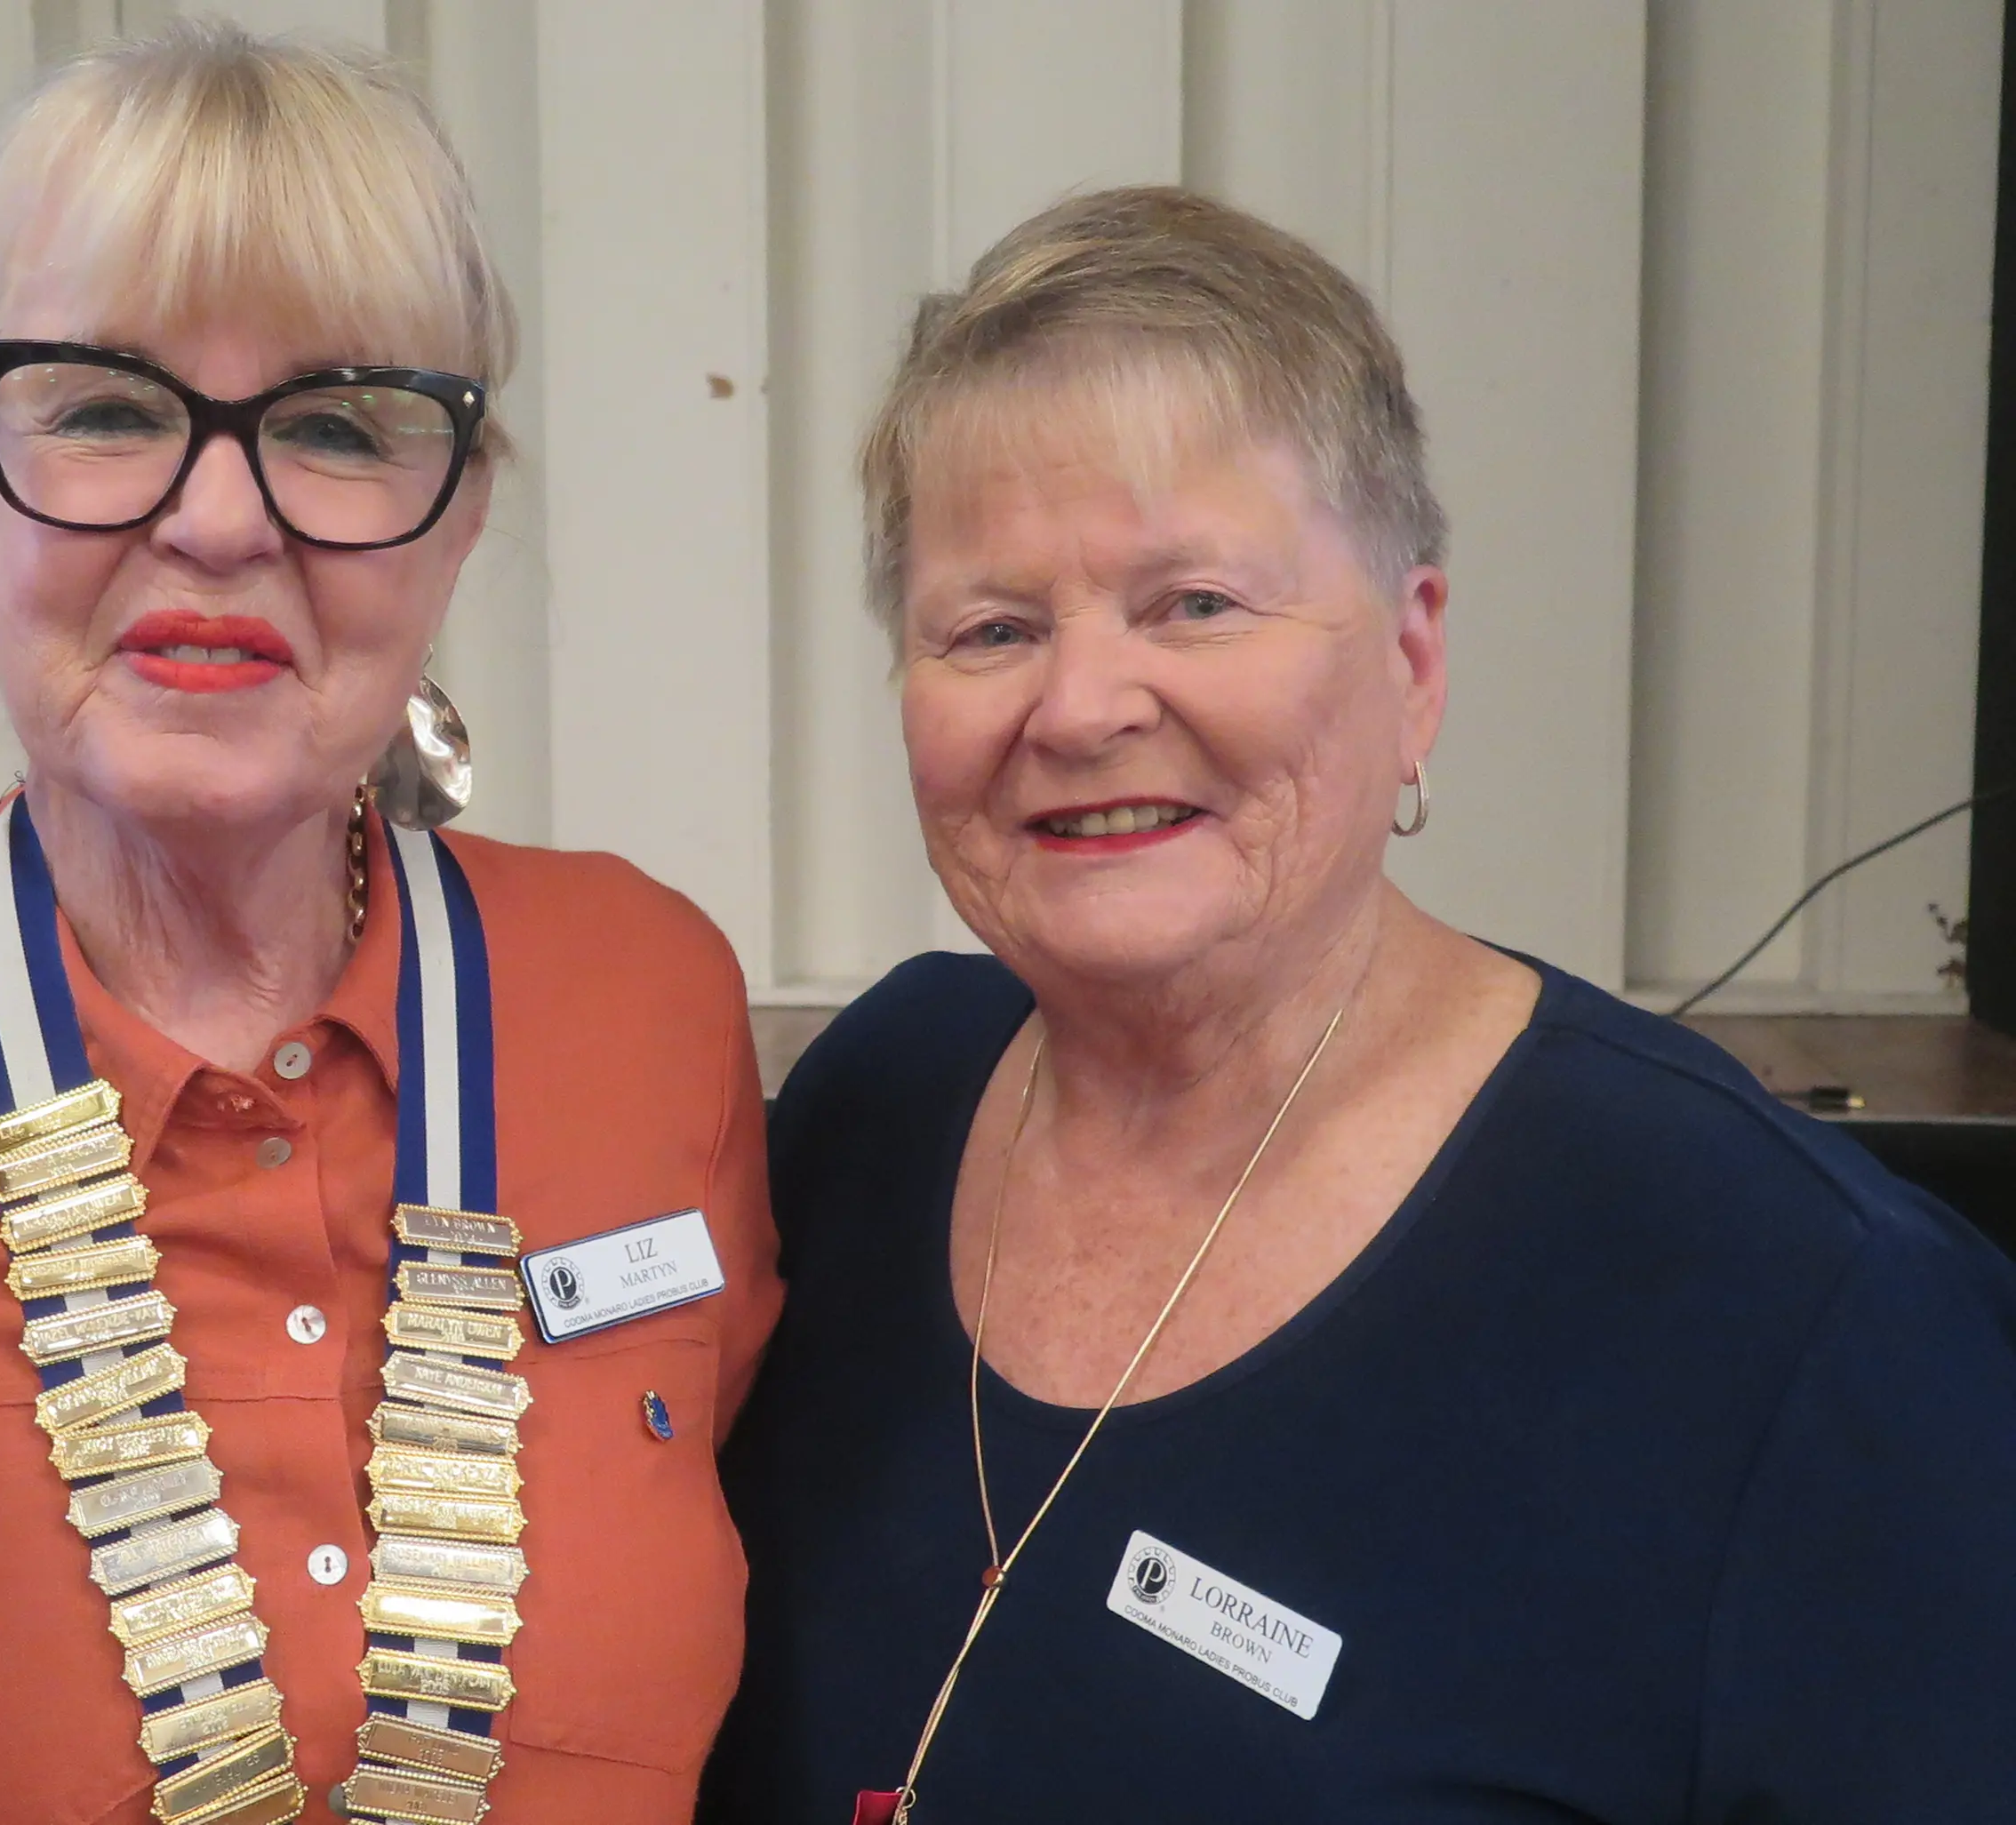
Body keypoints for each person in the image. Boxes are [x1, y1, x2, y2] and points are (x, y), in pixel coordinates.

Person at [0, 23, 775, 1825]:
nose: (220, 514)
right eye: (106, 408)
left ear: (461, 519)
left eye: (337, 425)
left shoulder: (645, 1004)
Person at [698, 185, 2016, 1823]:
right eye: (991, 627)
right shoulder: (873, 1114)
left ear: (1415, 661)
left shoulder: (1799, 1307)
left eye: (1196, 603)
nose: (1085, 703)